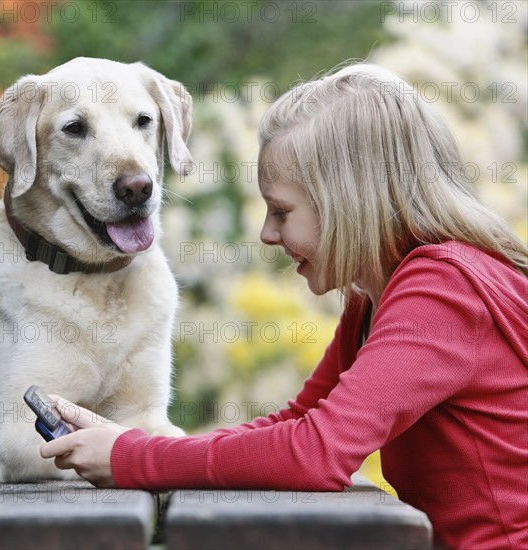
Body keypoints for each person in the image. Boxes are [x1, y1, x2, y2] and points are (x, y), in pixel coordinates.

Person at [41, 63, 527, 550]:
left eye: (281, 212)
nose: (268, 234)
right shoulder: (377, 298)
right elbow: (298, 423)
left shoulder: (443, 291)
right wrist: (138, 444)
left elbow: (316, 454)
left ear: (349, 201)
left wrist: (131, 458)